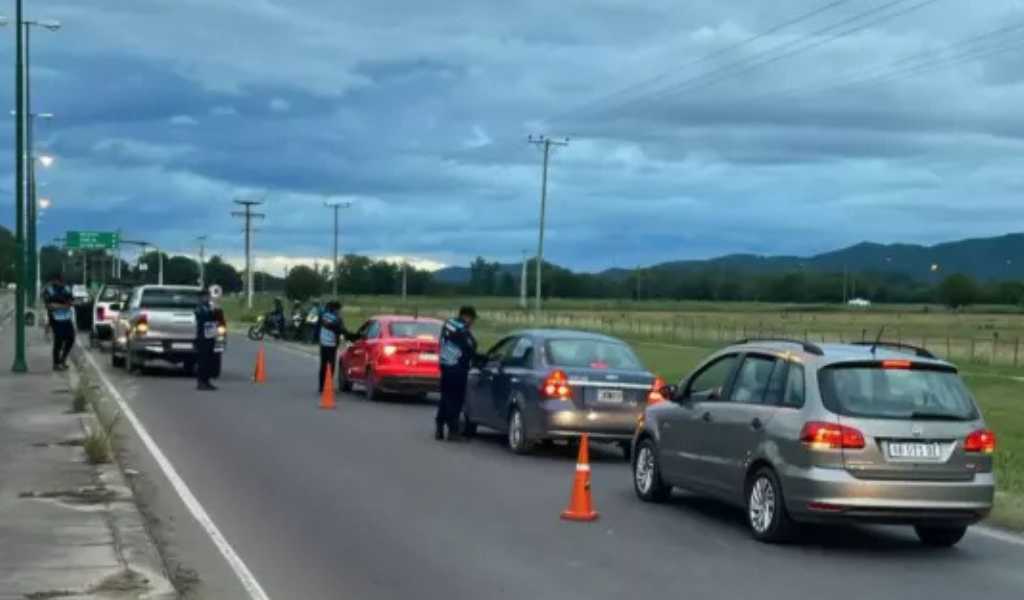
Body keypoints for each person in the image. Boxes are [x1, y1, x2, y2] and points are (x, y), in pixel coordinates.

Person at [436, 305, 481, 441]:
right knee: (455, 401)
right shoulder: (461, 329)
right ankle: (453, 432)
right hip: (457, 369)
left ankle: (439, 428)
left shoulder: (448, 324)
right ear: (467, 316)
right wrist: (481, 358)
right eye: (472, 319)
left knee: (445, 398)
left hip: (445, 366)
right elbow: (470, 347)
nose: (473, 323)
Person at [317, 300, 354, 393]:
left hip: (323, 344)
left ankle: (321, 387)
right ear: (335, 309)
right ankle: (328, 387)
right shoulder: (337, 319)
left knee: (323, 366)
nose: (340, 311)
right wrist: (354, 337)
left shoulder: (323, 316)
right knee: (331, 366)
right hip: (331, 345)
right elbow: (342, 331)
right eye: (339, 309)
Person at [42, 274, 75, 371]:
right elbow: (50, 306)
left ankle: (63, 359)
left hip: (66, 318)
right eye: (59, 281)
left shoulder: (66, 289)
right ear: (54, 281)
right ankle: (56, 363)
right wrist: (63, 305)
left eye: (62, 281)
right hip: (55, 318)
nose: (61, 283)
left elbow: (71, 302)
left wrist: (58, 305)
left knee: (71, 338)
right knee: (59, 340)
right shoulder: (49, 290)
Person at [194, 286, 218, 391]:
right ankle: (201, 382)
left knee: (209, 361)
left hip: (210, 335)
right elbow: (202, 316)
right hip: (202, 337)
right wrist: (211, 313)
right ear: (200, 297)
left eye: (208, 296)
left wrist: (214, 311)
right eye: (205, 296)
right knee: (202, 361)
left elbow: (215, 317)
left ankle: (207, 381)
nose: (207, 298)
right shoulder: (199, 307)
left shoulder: (209, 306)